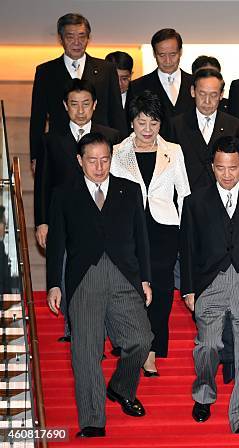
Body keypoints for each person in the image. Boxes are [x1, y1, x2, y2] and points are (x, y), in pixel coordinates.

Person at [46, 132, 153, 438]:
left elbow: (141, 238)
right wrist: (54, 283)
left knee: (141, 339)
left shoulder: (129, 190)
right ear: (80, 161)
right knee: (85, 350)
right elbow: (56, 244)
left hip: (124, 274)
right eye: (91, 160)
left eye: (104, 159)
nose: (99, 166)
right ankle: (93, 420)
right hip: (85, 276)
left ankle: (121, 386)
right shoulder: (64, 193)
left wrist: (144, 278)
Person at [180, 136, 239, 434]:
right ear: (213, 167)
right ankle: (204, 391)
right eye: (221, 168)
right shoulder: (194, 202)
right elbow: (188, 248)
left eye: (233, 167)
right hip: (209, 282)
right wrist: (189, 289)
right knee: (207, 345)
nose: (228, 174)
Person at [34, 79, 121, 341]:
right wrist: (42, 221)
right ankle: (73, 328)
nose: (80, 110)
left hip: (101, 212)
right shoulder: (51, 139)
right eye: (74, 104)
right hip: (64, 216)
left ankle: (108, 328)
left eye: (86, 104)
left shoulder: (111, 135)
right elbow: (43, 184)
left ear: (94, 105)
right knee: (64, 267)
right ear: (65, 106)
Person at [111, 91, 190, 376]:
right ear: (132, 121)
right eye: (141, 122)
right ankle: (133, 343)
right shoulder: (118, 152)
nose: (147, 130)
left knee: (162, 290)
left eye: (153, 123)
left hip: (163, 228)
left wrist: (185, 232)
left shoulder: (174, 151)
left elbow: (184, 193)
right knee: (130, 289)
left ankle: (152, 349)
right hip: (128, 230)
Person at [30, 13, 126, 166]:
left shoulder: (106, 69)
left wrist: (123, 150)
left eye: (82, 36)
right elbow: (38, 117)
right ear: (60, 39)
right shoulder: (46, 72)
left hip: (100, 151)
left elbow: (116, 112)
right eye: (70, 37)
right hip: (60, 149)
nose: (77, 42)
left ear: (89, 38)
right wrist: (36, 155)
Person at [168, 69, 239, 191]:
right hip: (188, 195)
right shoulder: (176, 125)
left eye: (213, 95)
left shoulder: (234, 125)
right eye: (202, 94)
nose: (207, 101)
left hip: (222, 196)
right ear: (193, 91)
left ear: (221, 95)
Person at [129, 29, 194, 139]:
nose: (168, 61)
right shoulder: (138, 86)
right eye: (162, 55)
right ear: (154, 54)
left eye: (173, 54)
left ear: (180, 52)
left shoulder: (195, 84)